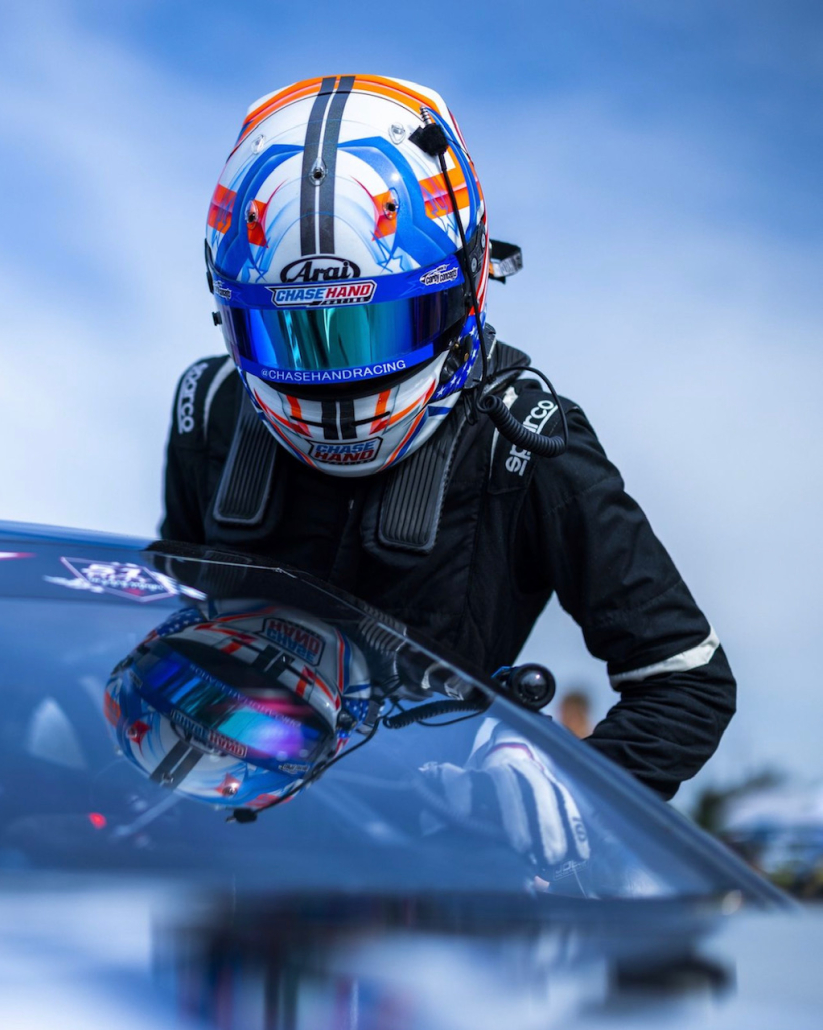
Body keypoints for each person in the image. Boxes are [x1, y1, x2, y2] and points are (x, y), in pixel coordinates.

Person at [161, 74, 736, 801]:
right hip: (219, 836)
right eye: (294, 335)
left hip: (423, 875)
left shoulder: (525, 445)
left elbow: (685, 679)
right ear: (229, 312)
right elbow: (165, 620)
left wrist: (555, 797)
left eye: (378, 324)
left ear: (465, 281)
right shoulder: (209, 409)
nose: (340, 378)